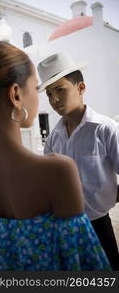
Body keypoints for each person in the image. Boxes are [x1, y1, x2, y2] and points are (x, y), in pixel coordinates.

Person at [0, 41, 111, 271]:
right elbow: (83, 270)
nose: (47, 99)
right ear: (16, 95)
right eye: (37, 88)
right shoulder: (58, 171)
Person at [37, 51, 119, 270]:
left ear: (81, 88)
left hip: (99, 224)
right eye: (49, 93)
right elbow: (48, 181)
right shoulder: (54, 137)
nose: (54, 99)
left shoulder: (104, 129)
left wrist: (110, 195)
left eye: (60, 90)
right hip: (63, 226)